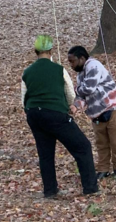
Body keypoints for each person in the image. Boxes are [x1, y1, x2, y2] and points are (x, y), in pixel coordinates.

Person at [22, 35, 98, 198]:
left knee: (45, 153)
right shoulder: (58, 69)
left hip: (34, 115)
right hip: (55, 114)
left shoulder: (27, 72)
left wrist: (30, 110)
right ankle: (90, 188)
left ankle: (50, 190)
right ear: (50, 50)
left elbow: (24, 97)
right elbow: (70, 92)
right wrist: (72, 107)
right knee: (82, 146)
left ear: (35, 51)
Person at [68, 46, 116, 180]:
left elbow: (89, 88)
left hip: (114, 108)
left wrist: (75, 91)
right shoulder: (80, 75)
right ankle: (103, 169)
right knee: (101, 143)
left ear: (82, 58)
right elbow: (82, 96)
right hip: (96, 113)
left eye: (72, 61)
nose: (71, 65)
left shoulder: (93, 65)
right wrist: (76, 106)